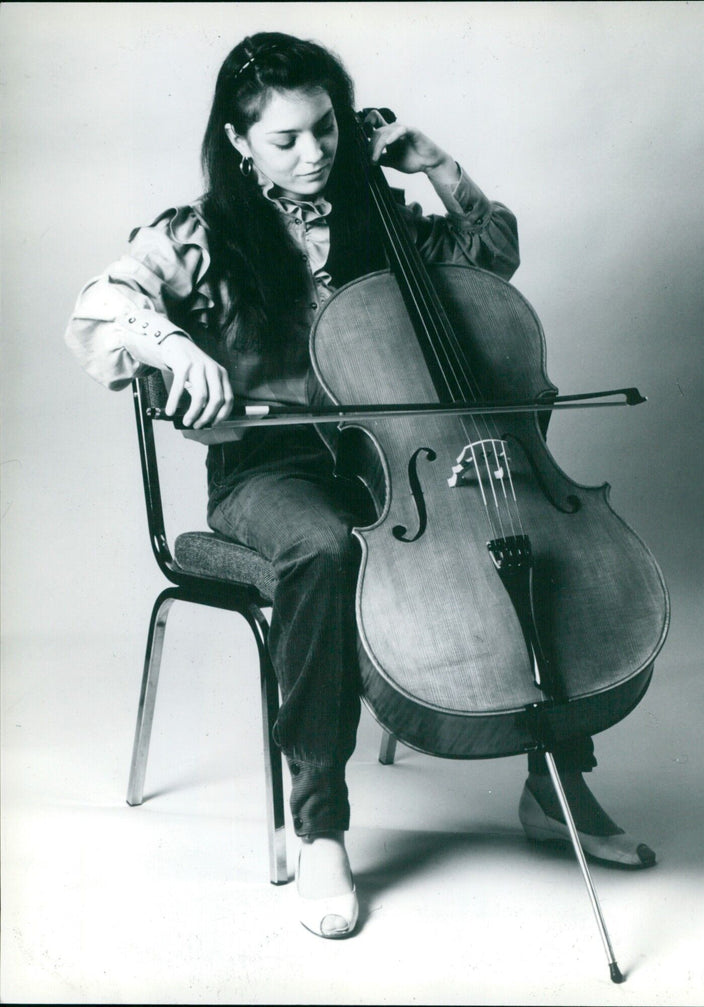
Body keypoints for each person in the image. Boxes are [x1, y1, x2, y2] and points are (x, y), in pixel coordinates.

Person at [65, 32, 655, 941]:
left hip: (406, 460)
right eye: (286, 139)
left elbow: (489, 260)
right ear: (237, 139)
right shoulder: (200, 235)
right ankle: (321, 825)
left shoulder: (379, 218)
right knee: (325, 550)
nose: (314, 155)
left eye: (326, 130)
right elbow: (101, 309)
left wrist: (438, 166)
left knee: (514, 538)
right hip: (273, 472)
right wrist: (175, 345)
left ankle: (555, 783)